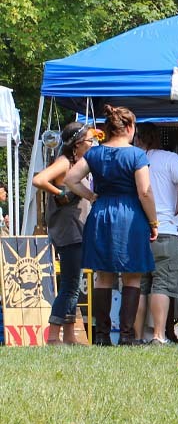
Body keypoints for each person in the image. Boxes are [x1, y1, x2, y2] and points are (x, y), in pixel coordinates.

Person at [62, 105, 158, 345]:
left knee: (103, 276)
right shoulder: (137, 155)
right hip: (131, 215)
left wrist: (91, 196)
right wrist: (154, 221)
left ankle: (103, 336)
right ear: (129, 128)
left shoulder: (94, 154)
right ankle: (126, 336)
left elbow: (70, 179)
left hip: (102, 212)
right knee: (132, 276)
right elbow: (144, 192)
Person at [32, 122, 95, 344]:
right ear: (77, 144)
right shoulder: (64, 162)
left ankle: (69, 336)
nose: (92, 144)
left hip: (76, 230)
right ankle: (53, 337)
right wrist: (61, 193)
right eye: (89, 141)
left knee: (73, 284)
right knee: (70, 284)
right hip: (68, 231)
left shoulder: (77, 163)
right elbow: (38, 180)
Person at [131, 124, 178, 344]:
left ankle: (136, 336)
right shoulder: (171, 159)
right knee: (162, 283)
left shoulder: (133, 160)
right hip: (165, 229)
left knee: (139, 285)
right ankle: (158, 335)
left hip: (138, 231)